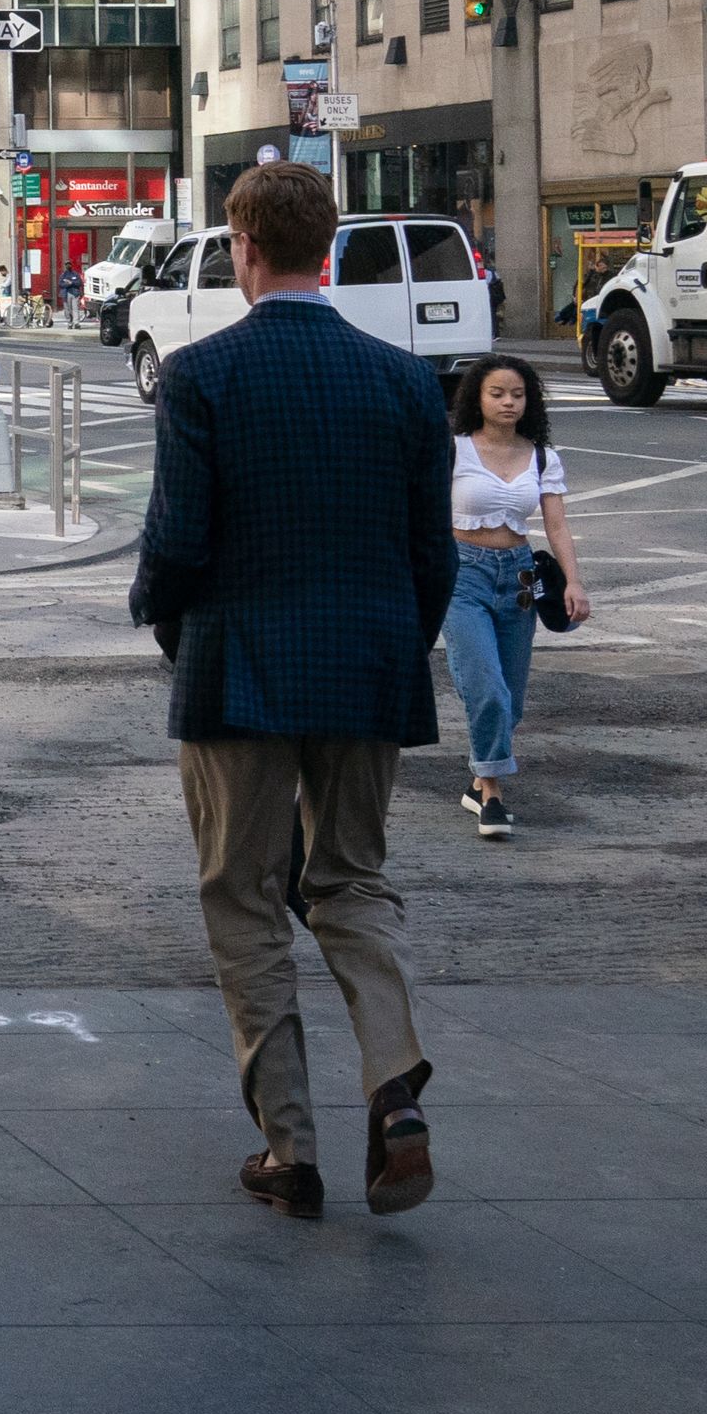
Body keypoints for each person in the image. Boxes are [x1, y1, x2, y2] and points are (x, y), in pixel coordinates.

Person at [129, 160, 455, 1222]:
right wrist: (397, 644)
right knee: (352, 884)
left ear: (242, 249)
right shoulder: (406, 381)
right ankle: (393, 1086)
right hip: (367, 666)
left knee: (243, 899)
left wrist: (176, 633)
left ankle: (290, 1149)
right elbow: (431, 558)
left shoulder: (201, 374)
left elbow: (176, 546)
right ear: (327, 251)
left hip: (238, 671)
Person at [443, 355, 590, 841]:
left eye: (518, 394)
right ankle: (492, 795)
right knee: (486, 687)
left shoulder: (542, 455)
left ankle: (480, 777)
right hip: (463, 576)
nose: (508, 402)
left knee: (511, 699)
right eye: (497, 393)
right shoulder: (455, 450)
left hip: (521, 579)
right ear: (477, 399)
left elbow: (557, 526)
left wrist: (574, 581)